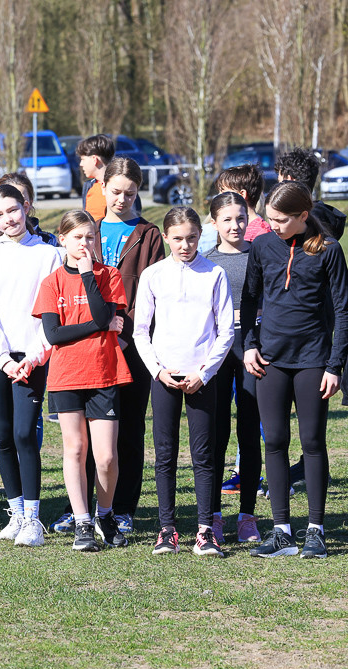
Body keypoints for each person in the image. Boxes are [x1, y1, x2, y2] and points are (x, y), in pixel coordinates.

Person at [243, 181, 348, 560]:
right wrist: (250, 345)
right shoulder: (262, 245)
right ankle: (282, 531)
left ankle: (316, 530)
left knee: (312, 441)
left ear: (304, 216)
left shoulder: (329, 250)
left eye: (282, 219)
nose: (273, 225)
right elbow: (250, 299)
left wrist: (335, 365)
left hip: (313, 361)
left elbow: (343, 310)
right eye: (269, 217)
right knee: (273, 440)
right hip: (270, 360)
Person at [134, 207, 234, 557]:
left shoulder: (215, 273)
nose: (185, 244)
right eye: (177, 238)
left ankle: (205, 530)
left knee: (204, 454)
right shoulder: (153, 275)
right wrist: (158, 370)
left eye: (191, 237)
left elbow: (225, 331)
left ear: (199, 236)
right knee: (165, 454)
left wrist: (204, 372)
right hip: (164, 375)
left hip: (201, 377)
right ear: (166, 237)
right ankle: (167, 529)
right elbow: (140, 331)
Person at [0, 185, 61, 547]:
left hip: (33, 357)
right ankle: (17, 513)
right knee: (4, 435)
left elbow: (52, 315)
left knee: (25, 433)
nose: (8, 219)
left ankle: (35, 520)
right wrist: (2, 358)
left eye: (13, 210)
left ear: (26, 207)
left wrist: (34, 356)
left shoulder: (49, 255)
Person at [32, 210, 129, 551]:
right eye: (77, 237)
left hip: (104, 372)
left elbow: (106, 314)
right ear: (63, 239)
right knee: (75, 449)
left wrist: (89, 276)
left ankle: (104, 514)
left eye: (90, 237)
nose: (84, 244)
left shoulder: (108, 275)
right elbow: (54, 335)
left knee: (105, 457)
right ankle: (83, 522)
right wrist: (98, 326)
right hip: (66, 375)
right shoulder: (52, 283)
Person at [81, 157, 164, 536]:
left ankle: (124, 507)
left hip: (133, 345)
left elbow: (153, 291)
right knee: (90, 429)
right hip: (91, 346)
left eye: (130, 193)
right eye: (115, 191)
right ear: (102, 188)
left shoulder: (149, 236)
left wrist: (130, 331)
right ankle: (81, 507)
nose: (122, 199)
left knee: (129, 427)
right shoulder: (89, 231)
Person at [204, 192, 263, 544]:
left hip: (253, 354)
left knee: (248, 433)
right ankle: (212, 515)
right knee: (215, 434)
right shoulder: (207, 261)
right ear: (214, 223)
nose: (235, 225)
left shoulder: (260, 256)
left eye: (240, 218)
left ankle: (247, 516)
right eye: (226, 219)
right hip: (216, 357)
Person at [274, 147, 346, 240]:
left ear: (290, 180)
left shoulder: (298, 226)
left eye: (280, 182)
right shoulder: (326, 217)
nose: (278, 188)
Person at [215, 165, 270, 243]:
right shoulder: (231, 228)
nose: (219, 196)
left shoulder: (262, 234)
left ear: (242, 194)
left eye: (223, 192)